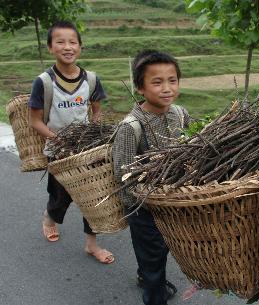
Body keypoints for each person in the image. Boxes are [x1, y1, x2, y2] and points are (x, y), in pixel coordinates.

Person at [29, 21, 114, 264]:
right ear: (50, 47)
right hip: (58, 151)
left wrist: (92, 135)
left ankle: (92, 245)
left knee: (93, 196)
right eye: (60, 42)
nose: (67, 47)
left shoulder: (92, 79)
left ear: (80, 47)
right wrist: (60, 142)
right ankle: (49, 217)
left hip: (86, 150)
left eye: (72, 42)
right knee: (61, 196)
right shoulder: (44, 82)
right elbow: (34, 121)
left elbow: (96, 113)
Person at [112, 50, 190, 305]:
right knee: (152, 252)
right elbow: (122, 174)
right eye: (157, 82)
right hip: (143, 208)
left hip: (171, 201)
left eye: (172, 80)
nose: (167, 88)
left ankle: (147, 275)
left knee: (162, 249)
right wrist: (135, 208)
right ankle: (154, 294)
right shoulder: (130, 127)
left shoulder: (180, 114)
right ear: (140, 88)